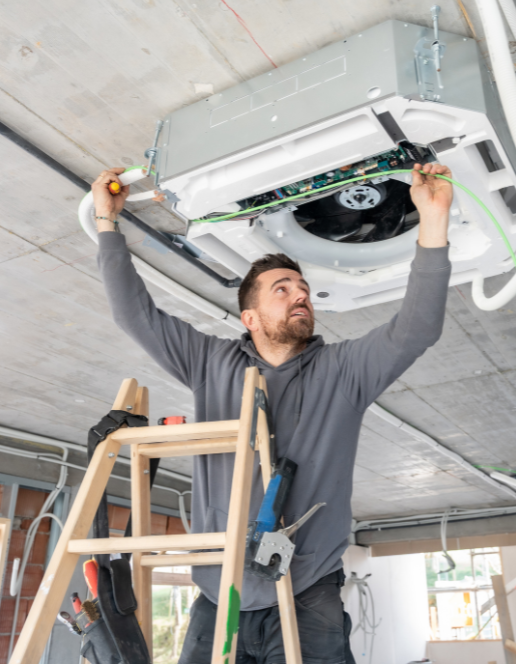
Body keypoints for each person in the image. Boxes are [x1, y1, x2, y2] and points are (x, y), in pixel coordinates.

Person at [93, 162, 453, 663]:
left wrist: (433, 222)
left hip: (308, 592)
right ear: (250, 317)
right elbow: (135, 314)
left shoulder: (344, 370)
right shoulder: (210, 362)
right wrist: (107, 225)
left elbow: (416, 329)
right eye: (281, 289)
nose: (299, 294)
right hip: (220, 594)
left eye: (302, 289)